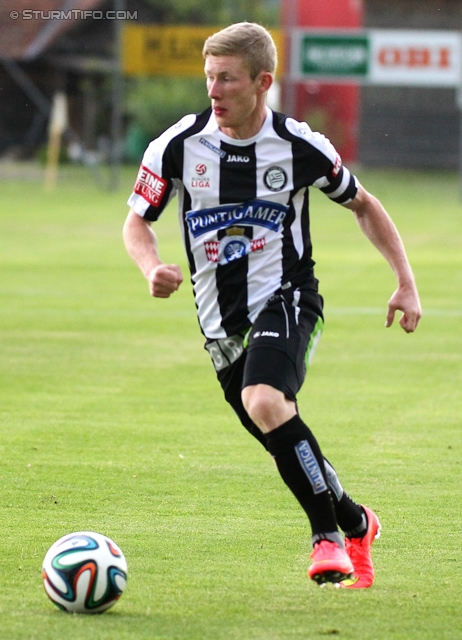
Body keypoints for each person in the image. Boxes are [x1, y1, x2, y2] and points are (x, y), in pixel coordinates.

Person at [123, 22, 421, 588]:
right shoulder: (179, 146)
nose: (213, 90)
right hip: (219, 326)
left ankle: (326, 539)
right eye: (208, 77)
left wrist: (404, 281)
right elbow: (137, 220)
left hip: (288, 298)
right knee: (278, 427)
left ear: (262, 82)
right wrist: (150, 267)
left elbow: (363, 204)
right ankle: (357, 521)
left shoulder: (299, 145)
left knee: (265, 399)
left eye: (227, 79)